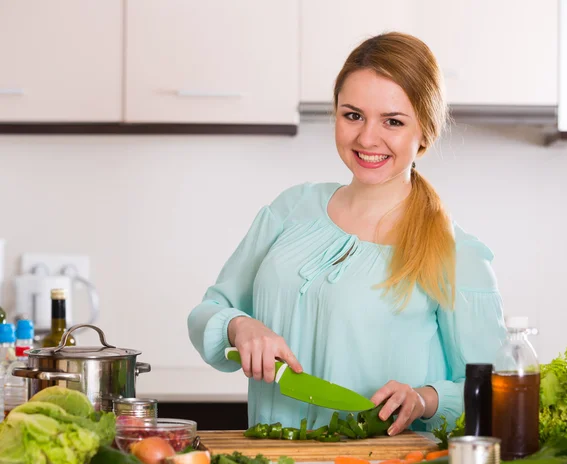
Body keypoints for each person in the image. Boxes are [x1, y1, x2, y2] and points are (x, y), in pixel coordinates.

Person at [187, 32, 506, 435]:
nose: (367, 138)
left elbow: (495, 392)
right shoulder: (291, 209)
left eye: (392, 121)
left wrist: (424, 399)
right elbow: (208, 310)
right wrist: (240, 326)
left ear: (424, 131)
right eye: (352, 115)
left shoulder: (458, 255)